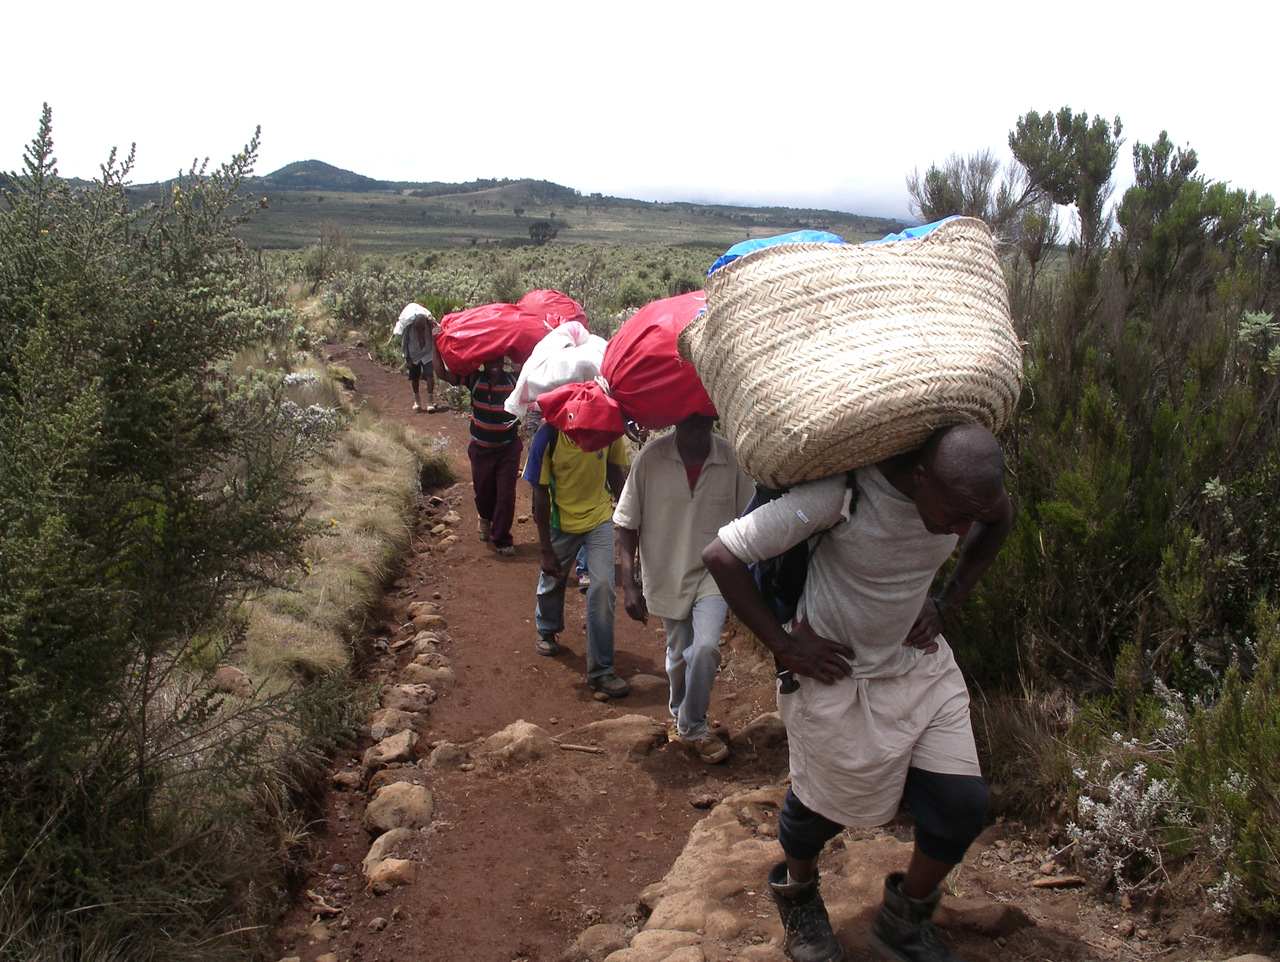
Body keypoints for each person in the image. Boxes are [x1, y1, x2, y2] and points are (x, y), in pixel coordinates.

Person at [702, 423, 1014, 962]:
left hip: (918, 669)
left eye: (971, 517)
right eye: (956, 513)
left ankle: (904, 921)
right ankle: (798, 896)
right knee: (820, 812)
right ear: (920, 476)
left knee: (962, 804)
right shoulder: (841, 495)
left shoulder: (966, 497)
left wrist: (949, 601)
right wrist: (785, 648)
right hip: (834, 676)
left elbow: (999, 517)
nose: (961, 529)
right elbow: (722, 555)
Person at [613, 414, 754, 763]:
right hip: (666, 570)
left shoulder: (730, 459)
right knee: (679, 654)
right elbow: (627, 523)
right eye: (689, 421)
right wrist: (629, 583)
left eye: (704, 420)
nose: (697, 427)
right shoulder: (650, 459)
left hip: (715, 573)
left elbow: (751, 516)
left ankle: (692, 726)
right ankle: (682, 712)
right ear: (675, 420)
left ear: (713, 419)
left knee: (705, 648)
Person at [523, 423, 631, 697]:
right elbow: (540, 492)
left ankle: (601, 670)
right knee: (552, 578)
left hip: (598, 519)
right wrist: (545, 548)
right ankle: (547, 629)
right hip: (561, 522)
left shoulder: (608, 430)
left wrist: (629, 515)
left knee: (603, 587)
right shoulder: (548, 437)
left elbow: (616, 472)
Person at [433, 345, 522, 556]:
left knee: (506, 495)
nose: (494, 365)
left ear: (503, 361)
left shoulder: (513, 381)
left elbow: (538, 377)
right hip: (481, 449)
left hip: (508, 448)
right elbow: (442, 373)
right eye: (490, 361)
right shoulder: (474, 380)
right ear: (483, 362)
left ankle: (502, 538)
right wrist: (435, 343)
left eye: (498, 360)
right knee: (483, 492)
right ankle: (484, 518)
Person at [402, 309, 437, 412]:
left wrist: (433, 324)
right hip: (414, 354)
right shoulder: (409, 327)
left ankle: (430, 402)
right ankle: (417, 401)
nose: (420, 330)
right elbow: (404, 343)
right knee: (414, 377)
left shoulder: (429, 324)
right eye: (418, 328)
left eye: (421, 328)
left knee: (429, 375)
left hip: (427, 352)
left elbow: (439, 330)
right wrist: (407, 359)